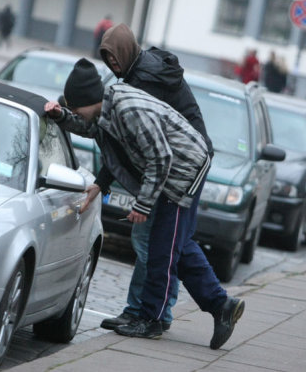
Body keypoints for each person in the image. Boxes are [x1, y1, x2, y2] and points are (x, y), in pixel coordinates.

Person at [45, 58, 244, 348]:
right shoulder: (107, 107)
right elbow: (91, 129)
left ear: (89, 99)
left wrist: (143, 205)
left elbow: (161, 157)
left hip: (183, 171)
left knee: (163, 249)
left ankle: (151, 320)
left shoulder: (128, 108)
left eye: (75, 107)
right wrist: (62, 116)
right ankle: (221, 305)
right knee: (177, 245)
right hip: (172, 171)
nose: (75, 112)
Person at [94, 23, 214, 333]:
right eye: (106, 59)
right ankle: (210, 303)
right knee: (167, 243)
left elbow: (142, 146)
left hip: (183, 167)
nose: (112, 64)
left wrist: (131, 195)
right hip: (178, 164)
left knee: (156, 242)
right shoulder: (133, 72)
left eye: (114, 57)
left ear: (125, 50)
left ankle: (152, 314)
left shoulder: (144, 81)